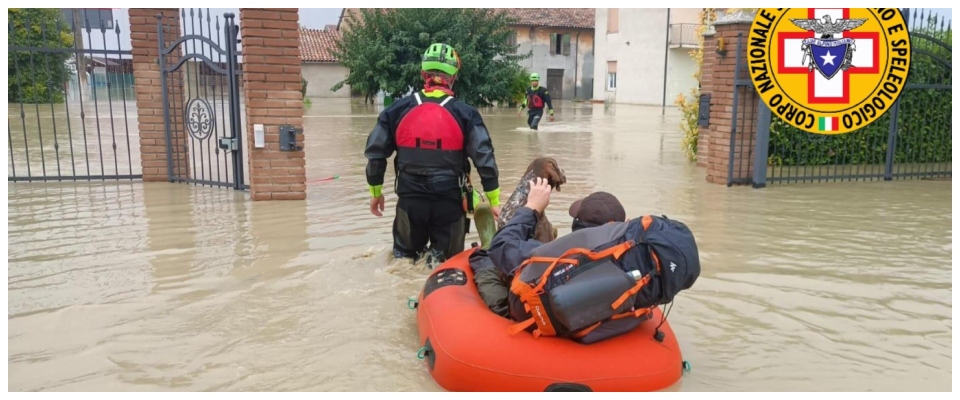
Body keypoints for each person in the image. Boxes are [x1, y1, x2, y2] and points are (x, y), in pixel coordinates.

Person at [364, 43, 502, 268]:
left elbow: (376, 154)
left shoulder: (396, 110)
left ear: (422, 74)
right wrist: (494, 202)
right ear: (453, 76)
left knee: (404, 262)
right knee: (445, 268)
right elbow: (484, 159)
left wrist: (376, 192)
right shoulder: (466, 114)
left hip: (409, 202)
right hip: (449, 204)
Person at [470, 178, 627, 317]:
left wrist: (532, 208)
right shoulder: (631, 256)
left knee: (487, 261)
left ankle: (486, 243)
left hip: (547, 317)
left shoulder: (551, 256)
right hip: (594, 316)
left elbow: (500, 247)